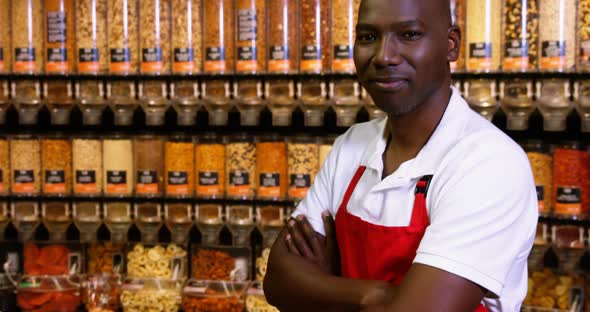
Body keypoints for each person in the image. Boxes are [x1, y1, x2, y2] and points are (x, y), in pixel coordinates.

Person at [263, 0, 538, 311]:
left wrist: (326, 287)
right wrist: (376, 297)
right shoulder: (349, 147)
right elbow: (278, 283)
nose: (384, 56)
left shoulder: (489, 163)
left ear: (451, 45)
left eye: (408, 35)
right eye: (368, 37)